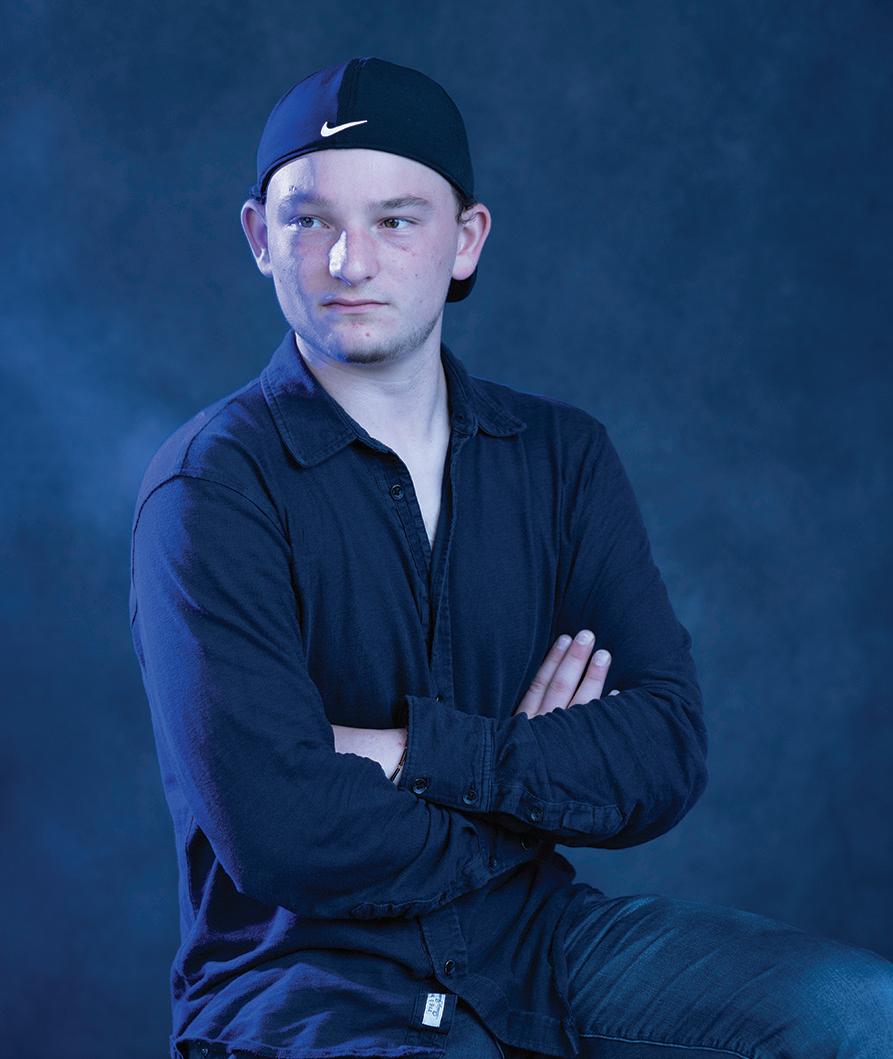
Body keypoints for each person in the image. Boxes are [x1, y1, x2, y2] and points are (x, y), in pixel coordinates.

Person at [129, 56, 893, 1059]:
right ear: (258, 239)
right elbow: (281, 829)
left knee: (858, 1014)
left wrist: (411, 751)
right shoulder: (211, 487)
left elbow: (663, 750)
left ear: (465, 239)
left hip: (538, 942)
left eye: (395, 220)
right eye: (309, 220)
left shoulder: (560, 457)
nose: (348, 262)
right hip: (307, 982)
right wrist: (533, 785)